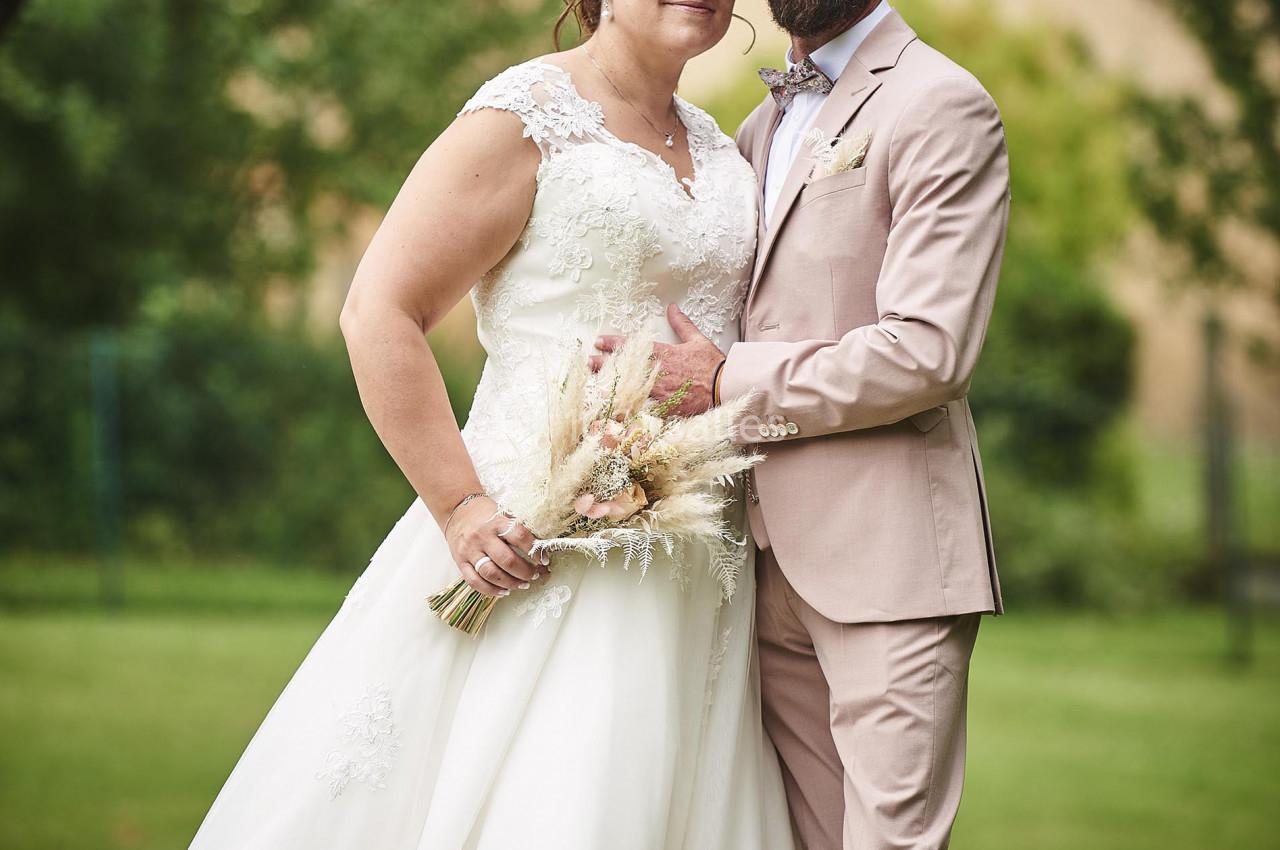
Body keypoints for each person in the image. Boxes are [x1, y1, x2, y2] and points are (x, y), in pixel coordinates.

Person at [187, 1, 796, 848]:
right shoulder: (523, 117)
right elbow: (378, 311)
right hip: (532, 539)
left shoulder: (725, 145)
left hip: (700, 560)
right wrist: (461, 508)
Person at [625, 1, 1010, 847]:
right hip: (755, 564)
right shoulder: (756, 127)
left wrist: (728, 379)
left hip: (889, 555)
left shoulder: (940, 102)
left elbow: (929, 352)